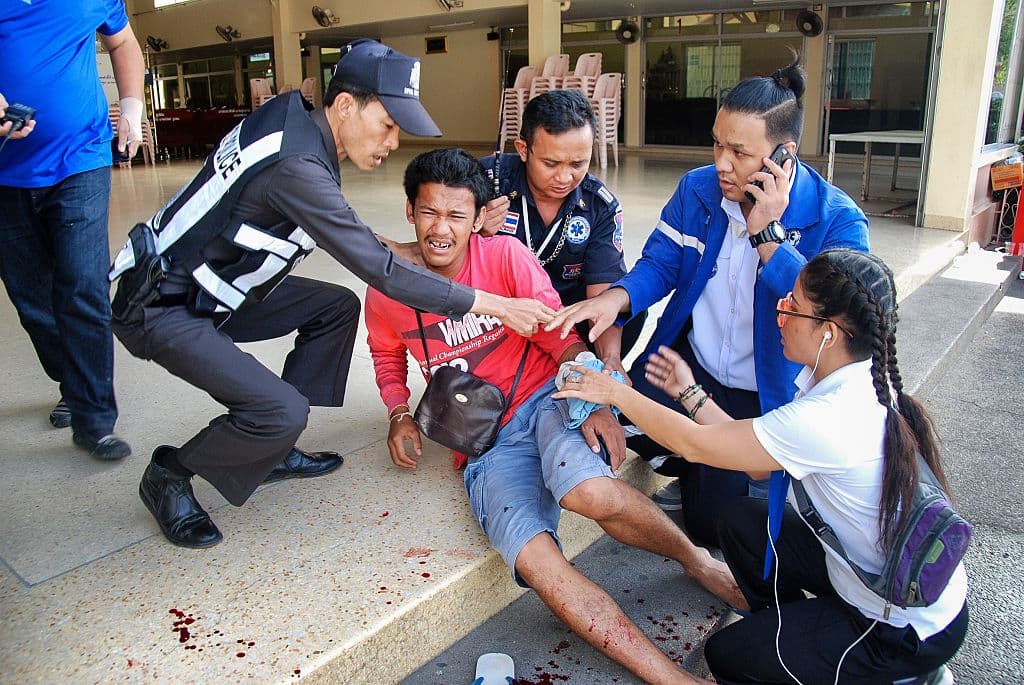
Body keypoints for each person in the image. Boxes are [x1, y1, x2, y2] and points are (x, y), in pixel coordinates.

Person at [108, 40, 554, 549]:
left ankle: (270, 448)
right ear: (345, 106)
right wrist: (496, 304)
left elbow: (343, 231)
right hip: (165, 304)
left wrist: (426, 242)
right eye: (387, 124)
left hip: (223, 284)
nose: (392, 141)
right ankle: (170, 472)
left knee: (334, 307)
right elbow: (378, 269)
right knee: (280, 412)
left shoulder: (295, 120)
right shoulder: (297, 166)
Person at [365, 148, 742, 685]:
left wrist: (594, 399)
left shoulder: (505, 257)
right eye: (429, 213)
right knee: (538, 564)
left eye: (455, 216)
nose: (440, 230)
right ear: (409, 212)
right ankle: (668, 677)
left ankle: (696, 560)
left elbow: (560, 337)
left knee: (587, 492)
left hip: (546, 395)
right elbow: (386, 356)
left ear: (477, 218)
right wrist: (399, 411)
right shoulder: (388, 288)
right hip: (483, 439)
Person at [554, 249, 968, 685]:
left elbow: (693, 447)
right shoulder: (863, 379)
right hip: (879, 581)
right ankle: (797, 634)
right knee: (744, 519)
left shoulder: (829, 415)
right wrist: (691, 393)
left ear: (828, 333)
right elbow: (758, 466)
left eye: (794, 306)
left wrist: (615, 393)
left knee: (729, 656)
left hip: (900, 630)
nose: (781, 312)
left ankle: (899, 676)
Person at [546, 56, 869, 546]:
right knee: (618, 418)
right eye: (717, 143)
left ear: (784, 155)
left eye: (739, 152)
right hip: (688, 368)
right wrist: (615, 299)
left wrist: (769, 236)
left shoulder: (837, 220)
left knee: (709, 528)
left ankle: (734, 470)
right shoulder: (698, 189)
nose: (721, 163)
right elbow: (659, 264)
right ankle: (703, 465)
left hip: (761, 395)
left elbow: (830, 315)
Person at [0, 0, 144, 460]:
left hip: (81, 158)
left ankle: (94, 417)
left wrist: (132, 109)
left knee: (83, 284)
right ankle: (72, 378)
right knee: (31, 296)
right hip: (5, 172)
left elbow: (122, 42)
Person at [479, 89, 647, 371]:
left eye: (578, 163)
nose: (564, 177)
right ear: (523, 149)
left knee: (628, 304)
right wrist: (475, 231)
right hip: (500, 314)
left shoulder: (599, 205)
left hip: (566, 317)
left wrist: (610, 361)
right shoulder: (486, 182)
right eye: (550, 163)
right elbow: (441, 252)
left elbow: (602, 296)